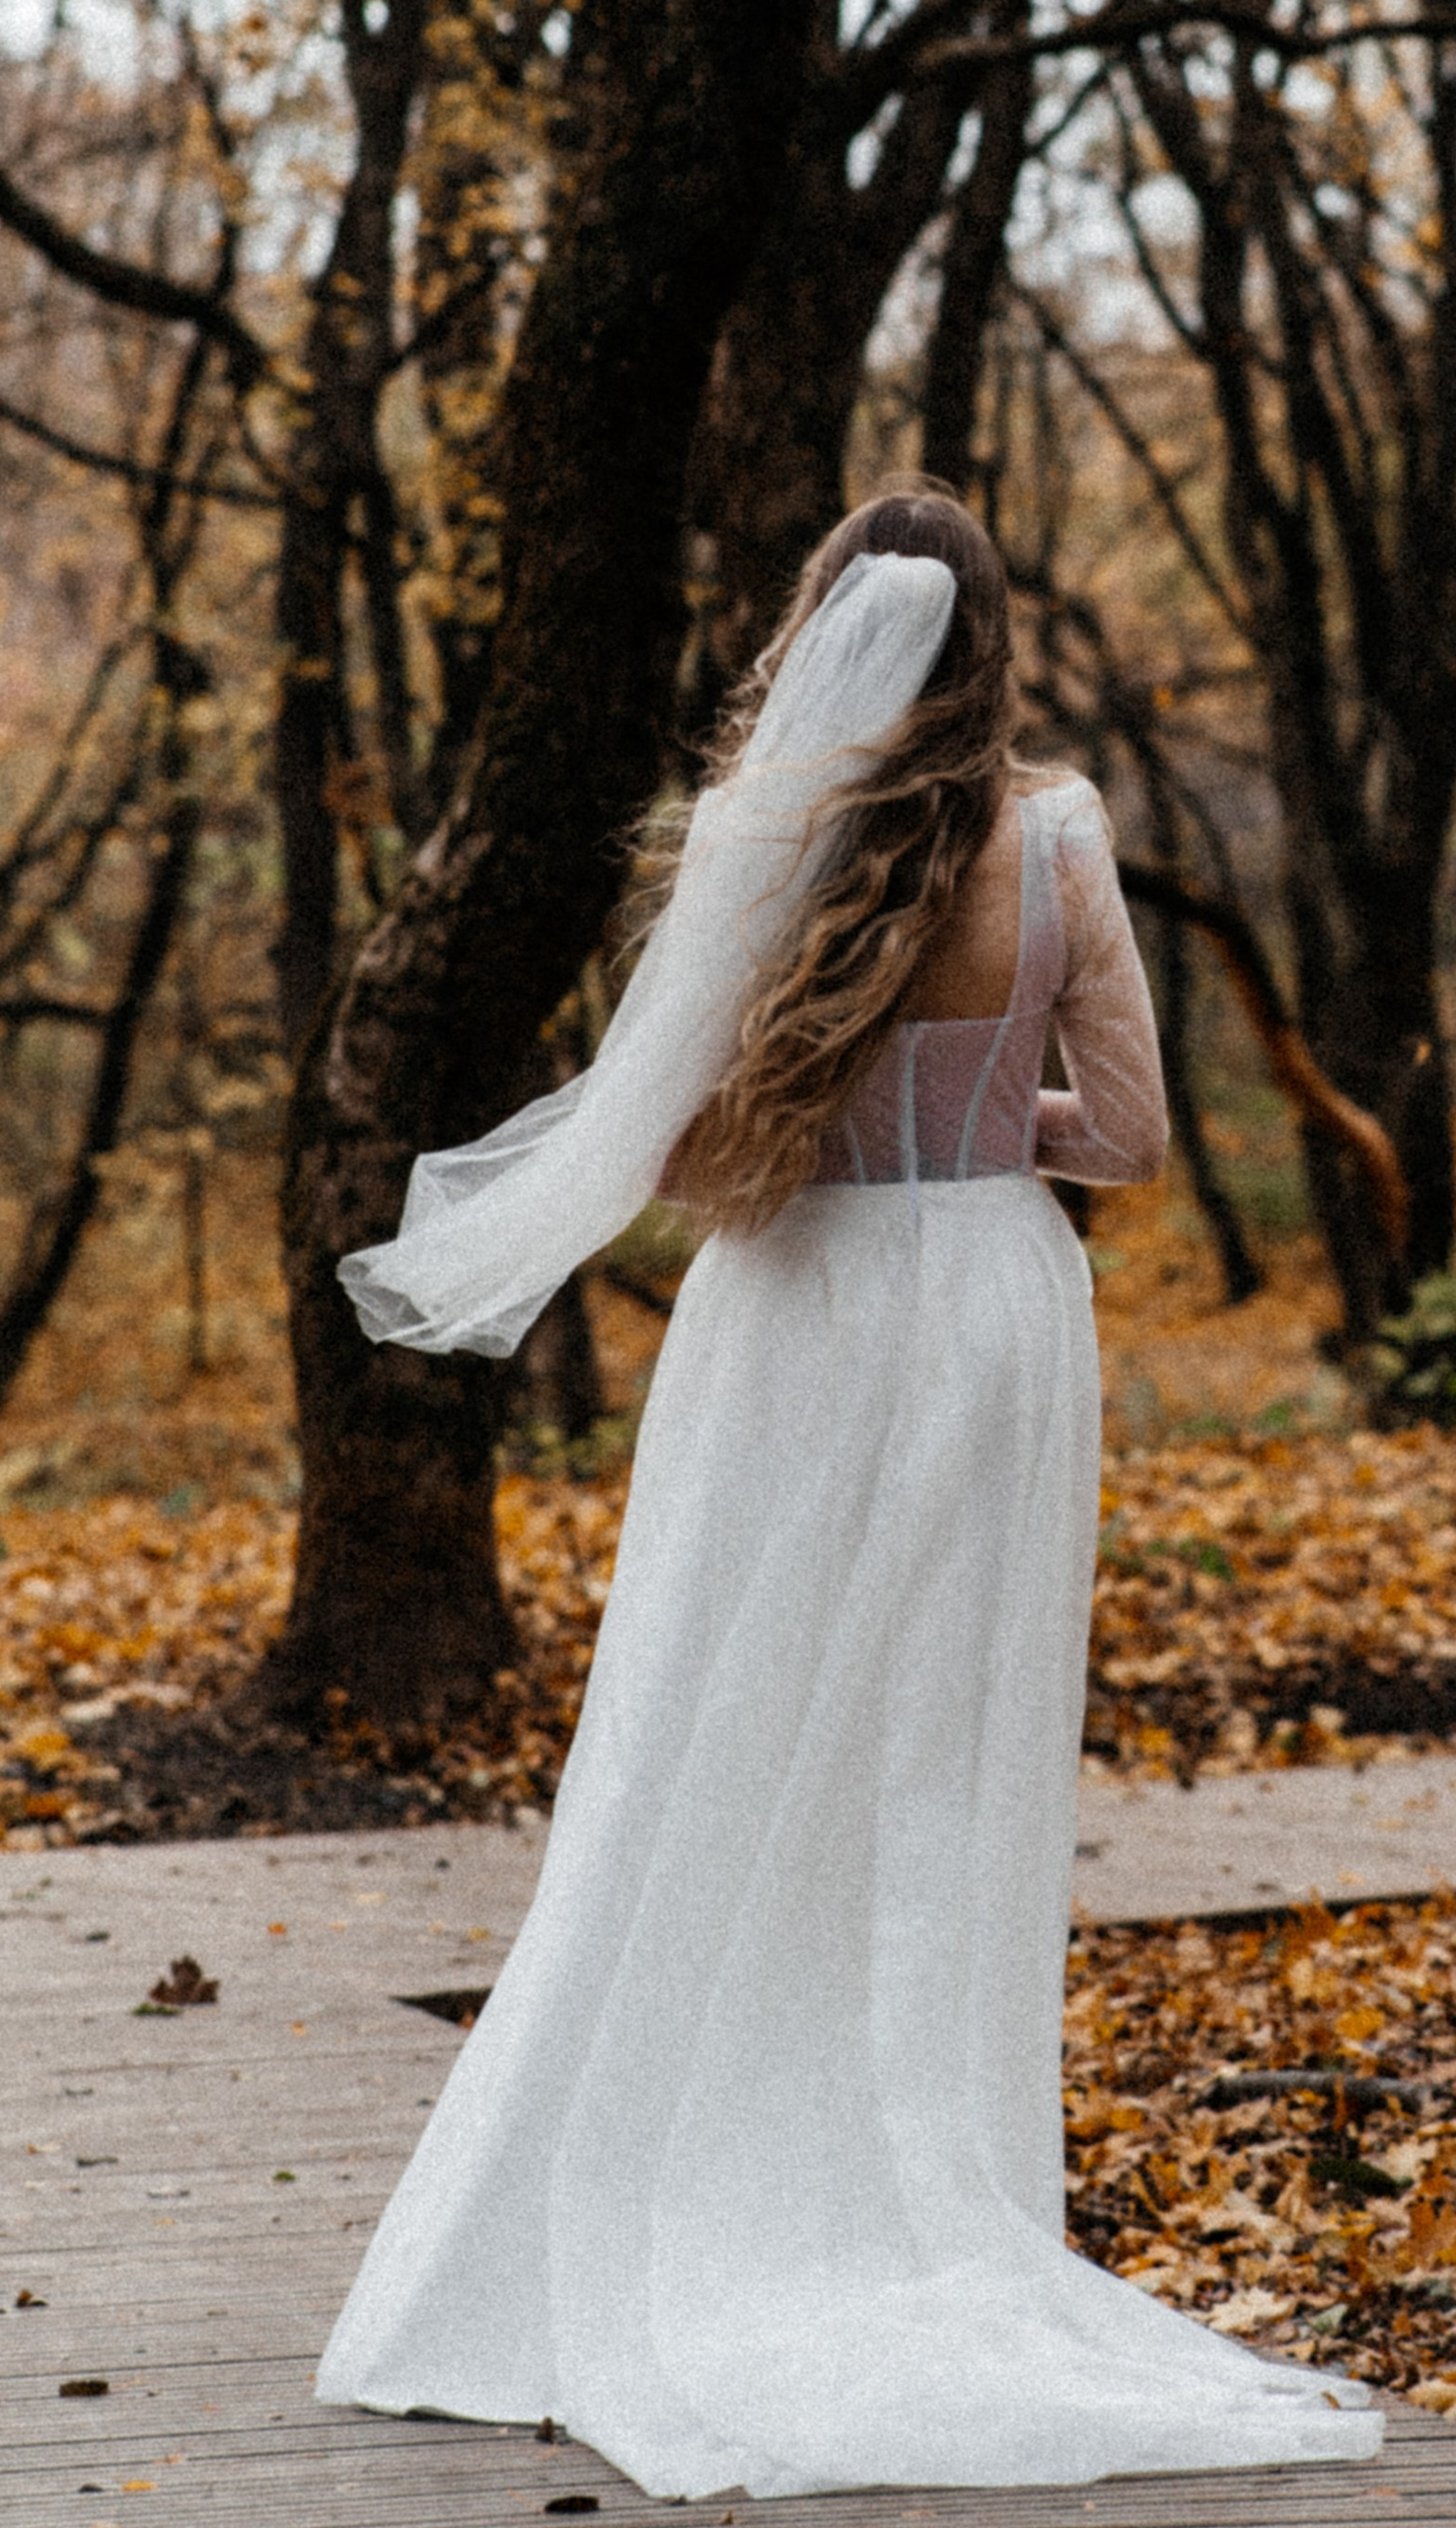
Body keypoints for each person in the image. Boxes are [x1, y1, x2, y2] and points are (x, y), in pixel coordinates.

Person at [316, 490, 1379, 2500]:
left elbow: (684, 1133)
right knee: (940, 1762)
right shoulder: (1059, 836)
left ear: (818, 628)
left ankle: (637, 2187)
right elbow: (1130, 1137)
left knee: (705, 1742)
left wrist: (831, 1085)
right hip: (990, 1302)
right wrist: (995, 1103)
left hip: (791, 1323)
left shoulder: (754, 835)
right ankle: (919, 2183)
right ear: (995, 638)